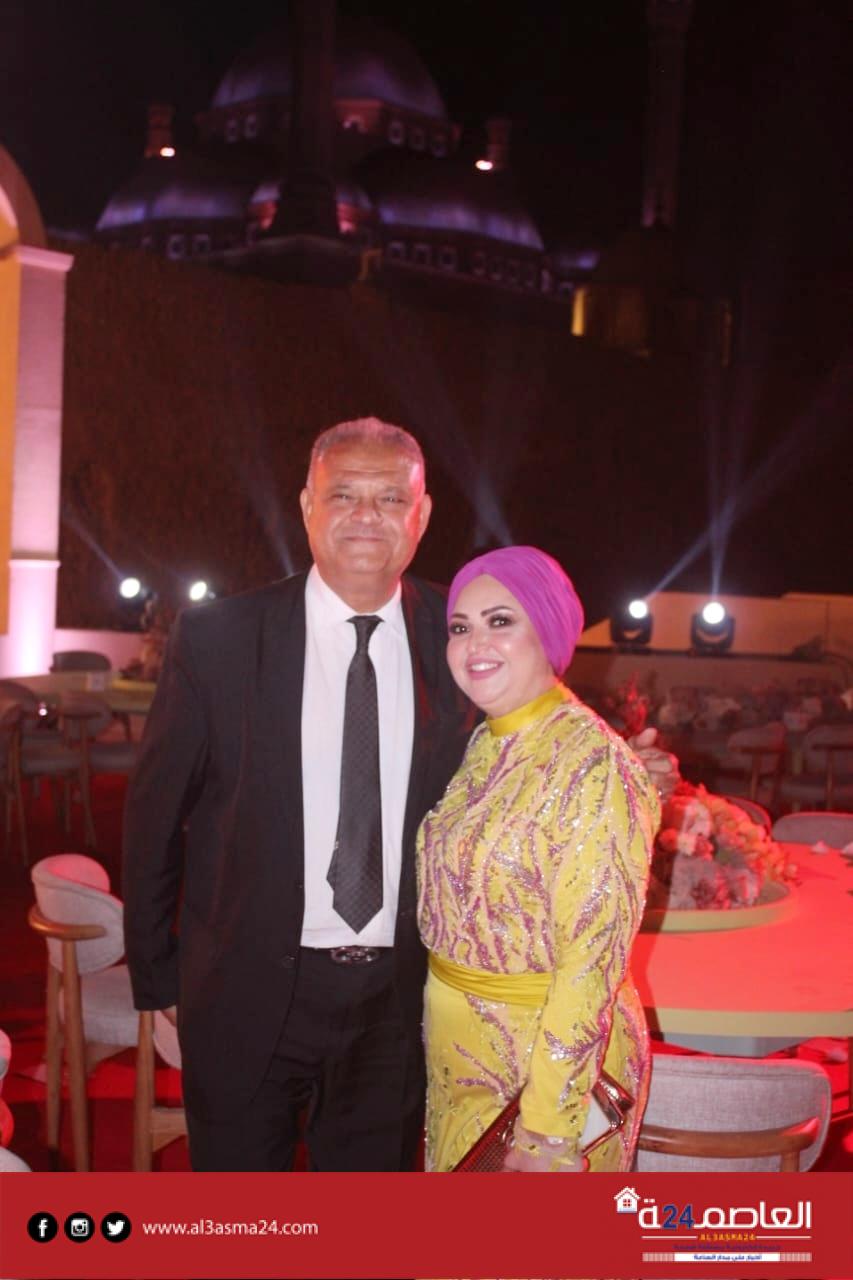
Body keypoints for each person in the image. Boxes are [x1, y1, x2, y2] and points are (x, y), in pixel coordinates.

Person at [123, 417, 477, 1171]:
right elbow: (154, 818)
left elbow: (529, 754)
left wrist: (615, 765)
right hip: (243, 986)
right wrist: (157, 979)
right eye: (343, 494)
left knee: (368, 1226)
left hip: (397, 1002)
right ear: (308, 507)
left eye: (390, 498)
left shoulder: (465, 640)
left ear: (420, 515)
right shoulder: (219, 638)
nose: (366, 515)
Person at [417, 546, 660, 1173]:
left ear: (547, 631)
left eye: (501, 621)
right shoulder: (487, 740)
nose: (475, 644)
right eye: (460, 627)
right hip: (462, 1059)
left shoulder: (594, 763)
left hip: (544, 1076)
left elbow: (591, 960)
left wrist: (547, 1131)